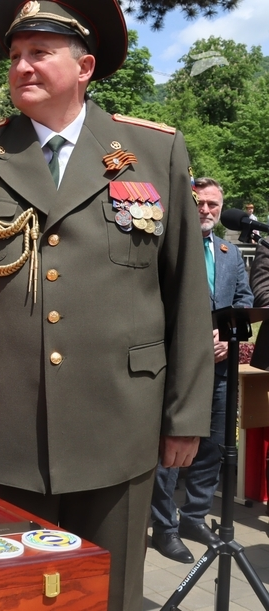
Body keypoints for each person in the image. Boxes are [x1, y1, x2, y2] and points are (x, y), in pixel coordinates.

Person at [0, 2, 214, 610]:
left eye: (40, 53)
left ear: (85, 67)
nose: (22, 66)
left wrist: (185, 415)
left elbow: (185, 290)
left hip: (119, 420)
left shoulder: (153, 151)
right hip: (2, 419)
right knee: (10, 593)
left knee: (110, 593)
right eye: (15, 55)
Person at [150, 177, 253, 563]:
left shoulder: (229, 252)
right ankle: (164, 526)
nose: (206, 210)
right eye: (200, 203)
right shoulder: (169, 247)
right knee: (172, 448)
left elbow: (244, 300)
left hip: (221, 368)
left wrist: (228, 337)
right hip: (179, 368)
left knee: (213, 446)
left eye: (213, 204)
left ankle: (194, 516)